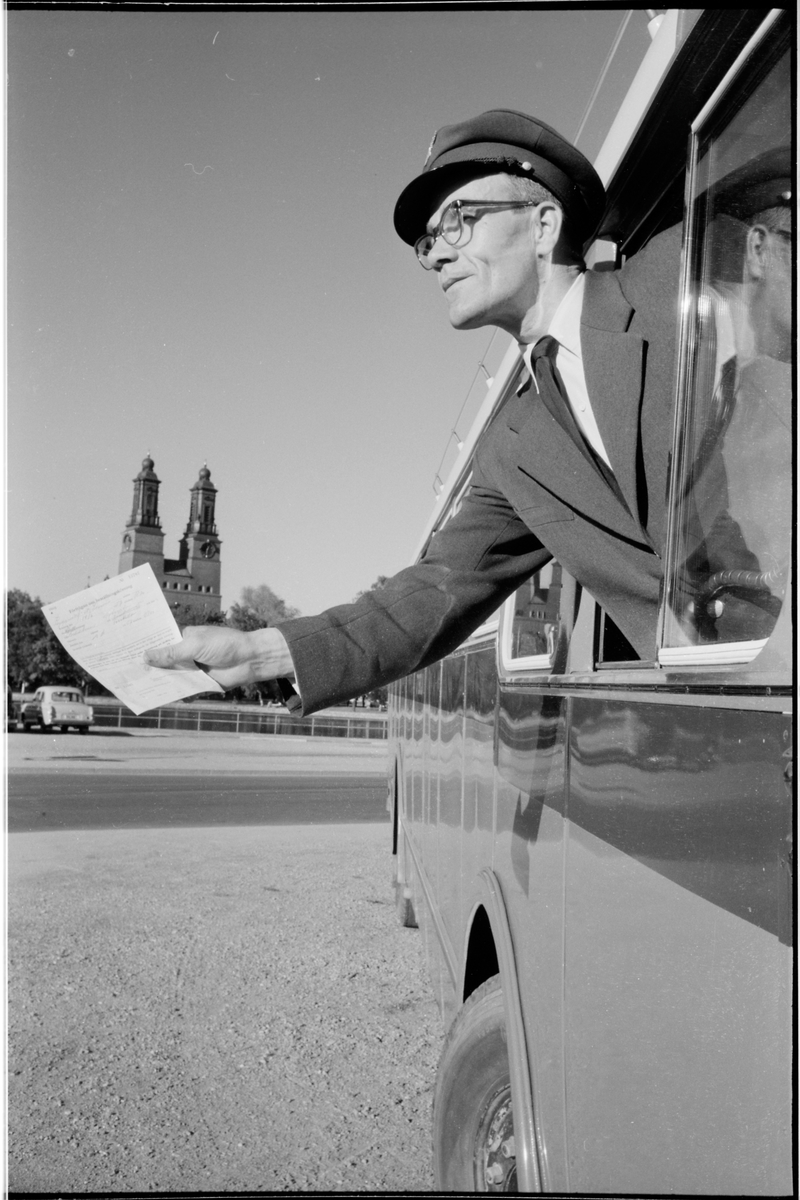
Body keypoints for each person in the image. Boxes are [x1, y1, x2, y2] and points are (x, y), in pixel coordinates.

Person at [146, 108, 686, 709]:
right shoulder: (512, 446)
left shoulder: (677, 279)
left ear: (543, 224)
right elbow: (434, 591)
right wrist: (260, 653)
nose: (437, 257)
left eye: (458, 221)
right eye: (429, 243)